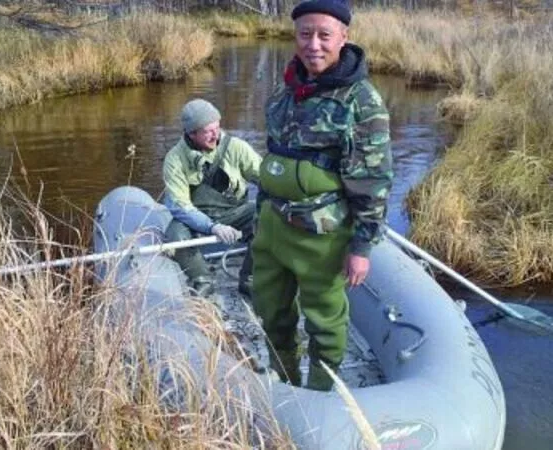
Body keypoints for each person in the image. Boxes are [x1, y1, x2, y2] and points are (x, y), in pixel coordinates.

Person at [251, 0, 393, 391]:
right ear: (295, 36)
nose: (313, 44)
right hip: (273, 228)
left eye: (324, 35)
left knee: (325, 322)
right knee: (270, 311)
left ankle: (321, 393)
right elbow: (274, 160)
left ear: (343, 37)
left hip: (322, 236)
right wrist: (260, 218)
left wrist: (361, 247)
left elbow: (374, 180)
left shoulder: (361, 101)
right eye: (305, 34)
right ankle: (285, 380)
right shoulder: (283, 92)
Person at [163, 99, 262, 297]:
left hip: (235, 212)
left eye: (217, 128)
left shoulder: (236, 147)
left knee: (267, 217)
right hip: (195, 219)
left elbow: (265, 178)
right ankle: (202, 278)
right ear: (192, 133)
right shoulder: (174, 160)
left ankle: (250, 277)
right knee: (175, 235)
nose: (215, 135)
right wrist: (212, 227)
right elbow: (180, 206)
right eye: (208, 131)